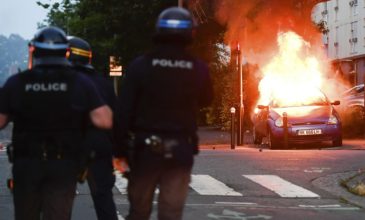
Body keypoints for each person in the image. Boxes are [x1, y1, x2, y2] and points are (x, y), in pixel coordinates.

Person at [0, 26, 113, 220]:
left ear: (34, 50)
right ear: (66, 52)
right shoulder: (80, 82)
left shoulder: (17, 82)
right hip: (63, 164)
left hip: (27, 163)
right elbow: (104, 120)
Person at [114, 7, 213, 220]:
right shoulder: (198, 68)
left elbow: (123, 111)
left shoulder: (140, 65)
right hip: (180, 150)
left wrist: (119, 151)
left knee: (138, 212)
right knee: (171, 213)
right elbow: (207, 99)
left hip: (144, 151)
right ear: (191, 33)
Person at [67, 36, 118, 220]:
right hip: (98, 147)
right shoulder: (103, 83)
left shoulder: (63, 82)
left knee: (60, 201)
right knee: (103, 199)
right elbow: (115, 119)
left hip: (68, 148)